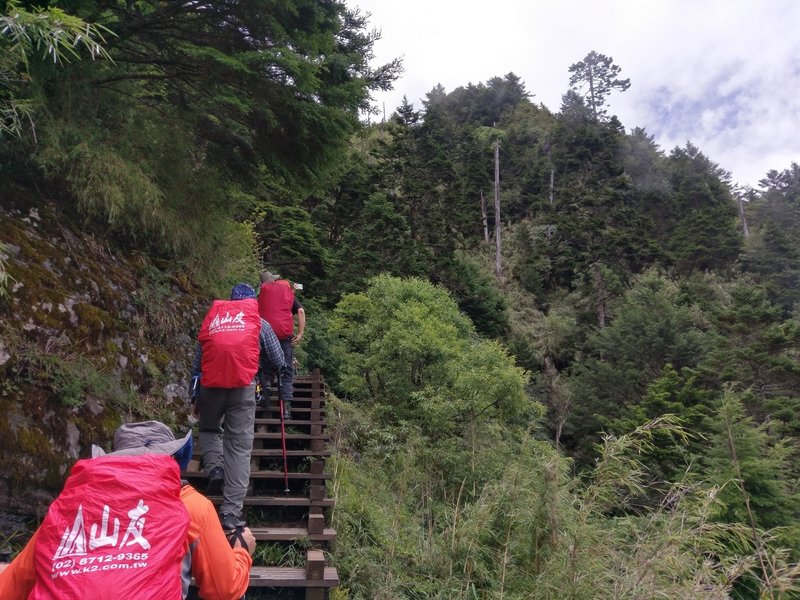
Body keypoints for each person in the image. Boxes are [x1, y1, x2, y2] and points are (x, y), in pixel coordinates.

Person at [0, 420, 256, 600]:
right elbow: (224, 591)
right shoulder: (190, 506)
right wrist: (242, 550)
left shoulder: (68, 507)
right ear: (174, 460)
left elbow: (8, 588)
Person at [191, 283, 286, 532]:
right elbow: (278, 359)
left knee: (210, 430)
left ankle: (214, 470)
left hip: (210, 386)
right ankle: (231, 512)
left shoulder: (215, 319)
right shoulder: (258, 322)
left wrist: (194, 395)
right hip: (243, 386)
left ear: (230, 299)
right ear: (252, 300)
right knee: (239, 447)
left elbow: (199, 359)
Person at [257, 271, 305, 419]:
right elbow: (301, 311)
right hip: (284, 336)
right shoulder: (285, 291)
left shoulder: (262, 294)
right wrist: (300, 334)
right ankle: (286, 409)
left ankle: (265, 396)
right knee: (286, 370)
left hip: (265, 334)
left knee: (266, 368)